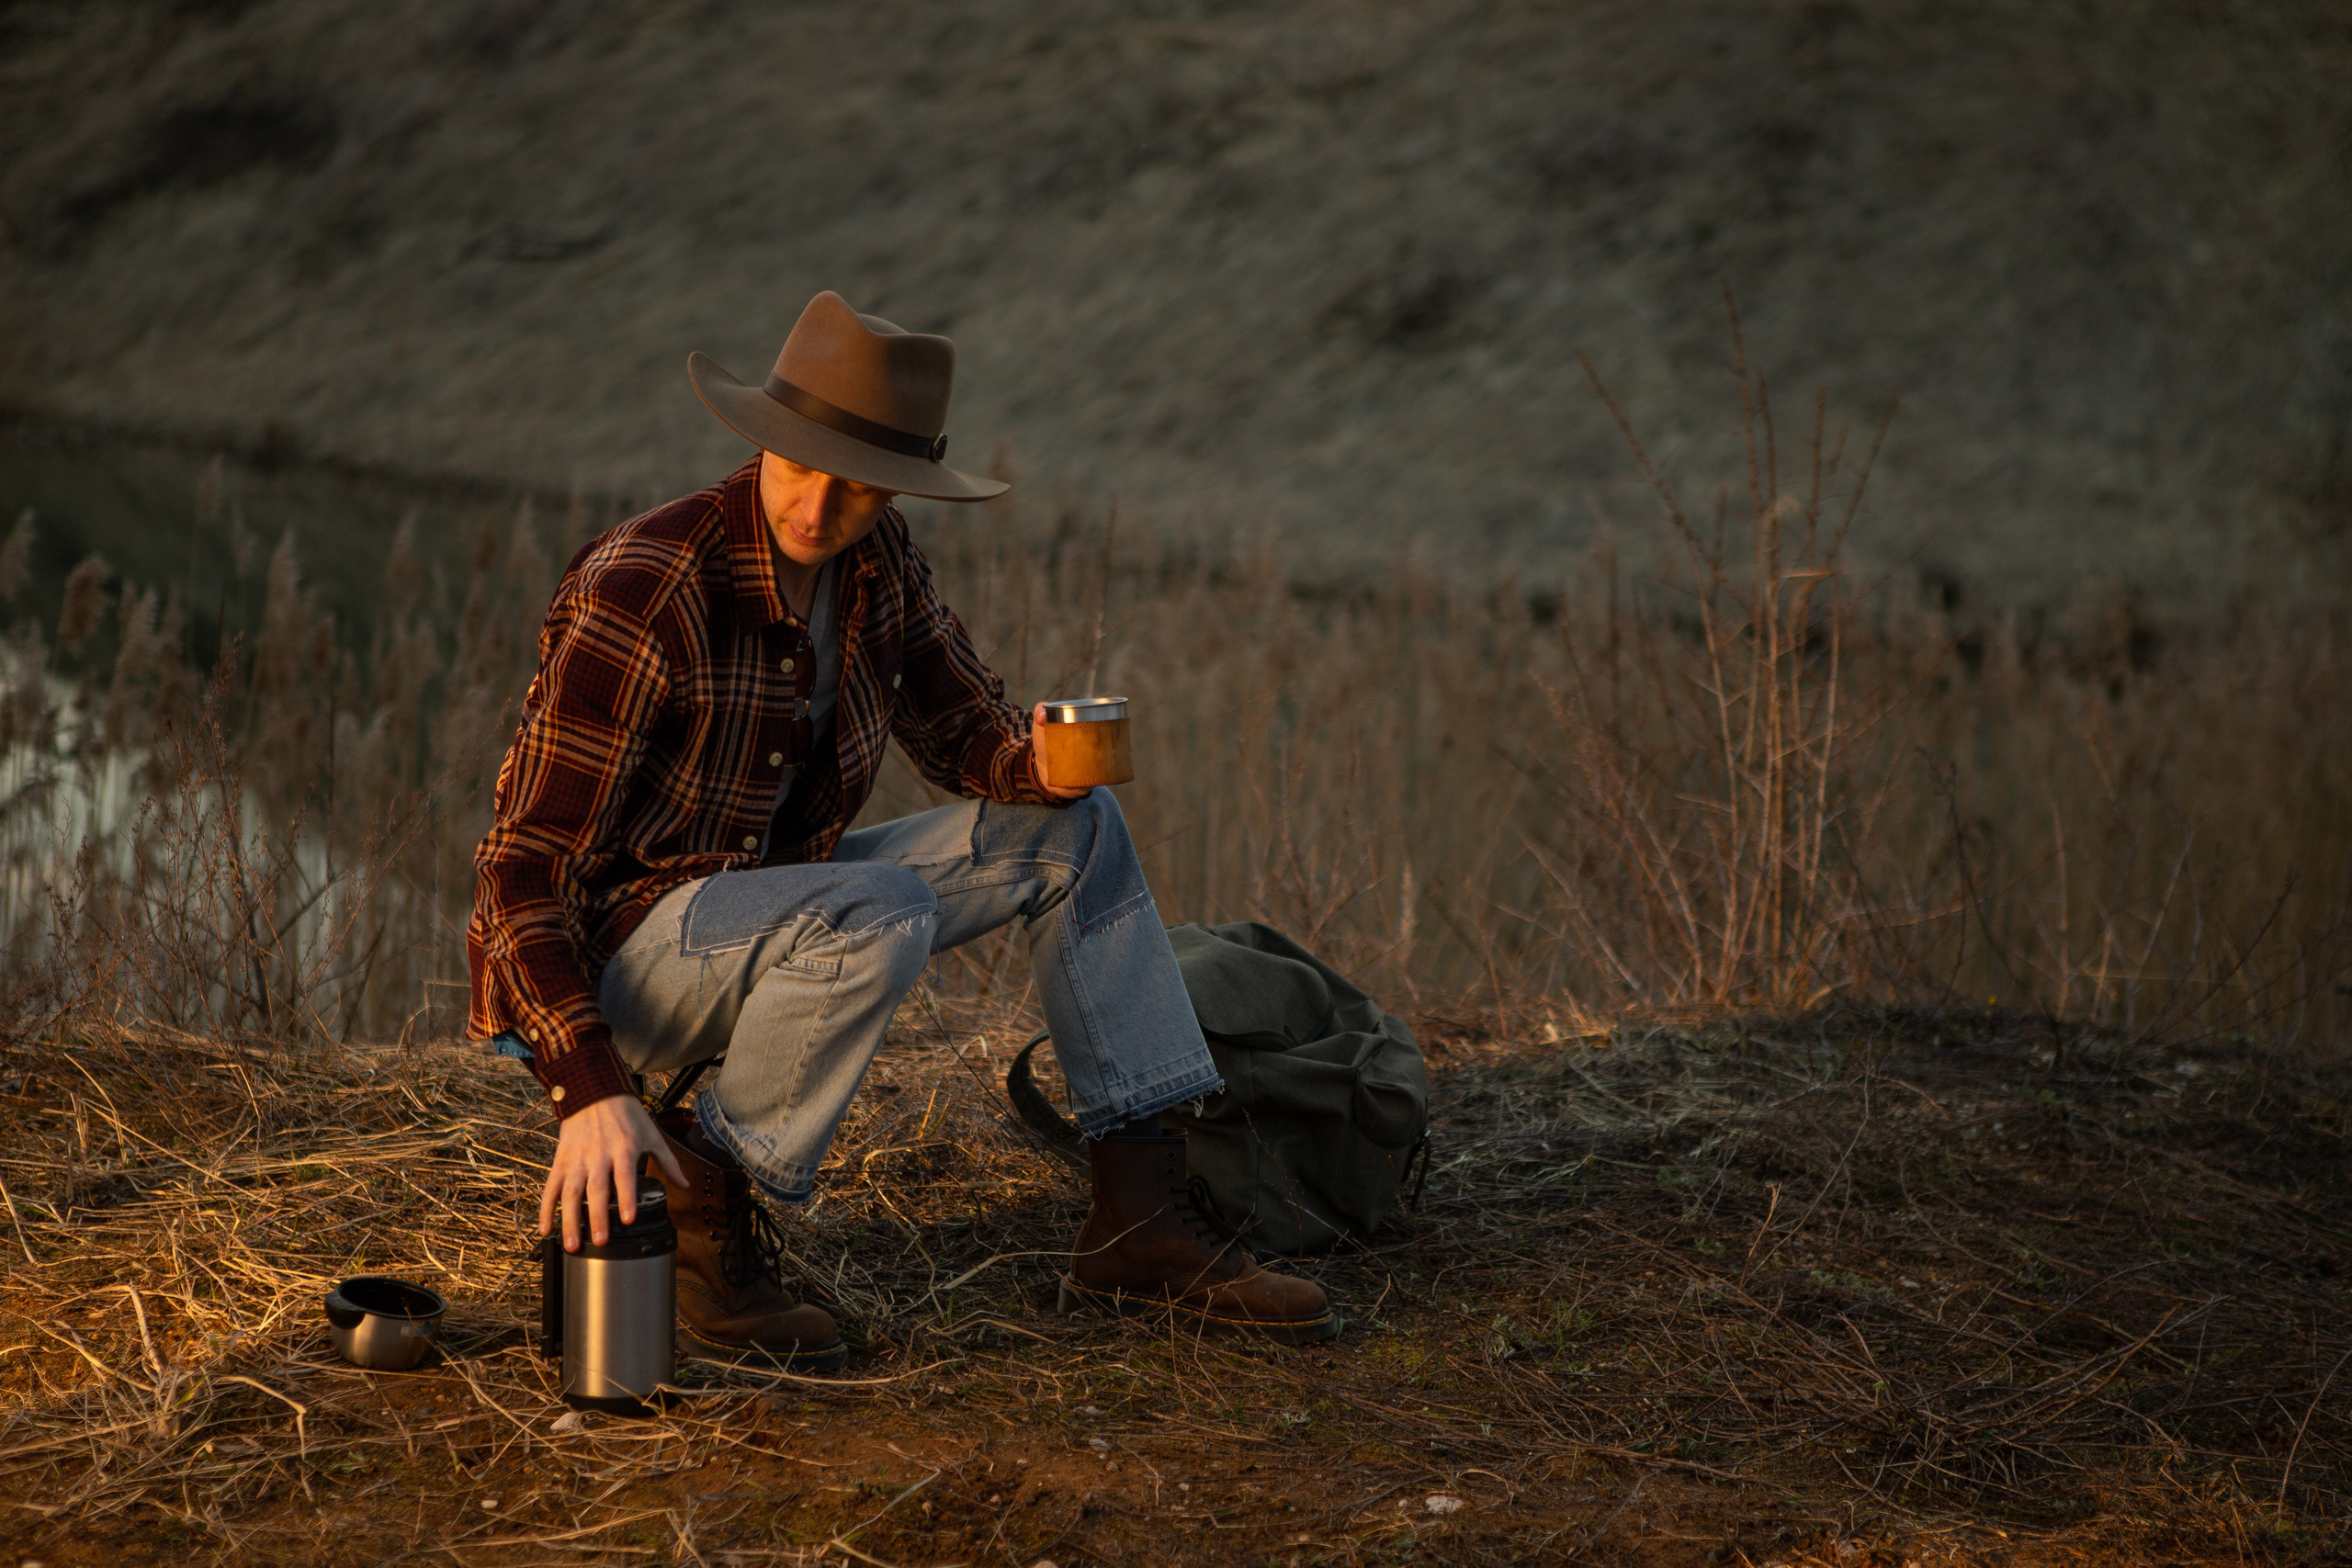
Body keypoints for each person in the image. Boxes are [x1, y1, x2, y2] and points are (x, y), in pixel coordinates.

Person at [468, 292, 1332, 1371]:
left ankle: (1138, 1215)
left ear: (899, 489)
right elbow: (518, 869)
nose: (819, 505)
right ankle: (696, 1207)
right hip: (628, 963)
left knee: (1079, 833)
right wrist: (585, 1090)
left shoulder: (879, 566)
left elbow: (965, 727)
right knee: (883, 907)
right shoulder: (648, 585)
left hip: (792, 911)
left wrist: (1037, 766)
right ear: (762, 438)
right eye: (799, 463)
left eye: (859, 482)